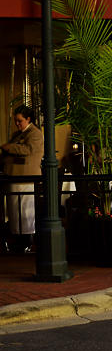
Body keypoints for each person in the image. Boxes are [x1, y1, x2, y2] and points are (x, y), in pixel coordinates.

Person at [0, 105, 44, 253]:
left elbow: (28, 150)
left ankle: (27, 240)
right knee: (14, 211)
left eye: (20, 121)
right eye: (16, 121)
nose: (17, 124)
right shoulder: (17, 134)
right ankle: (17, 239)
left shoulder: (35, 133)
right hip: (14, 176)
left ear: (28, 119)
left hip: (26, 178)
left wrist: (9, 147)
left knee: (25, 211)